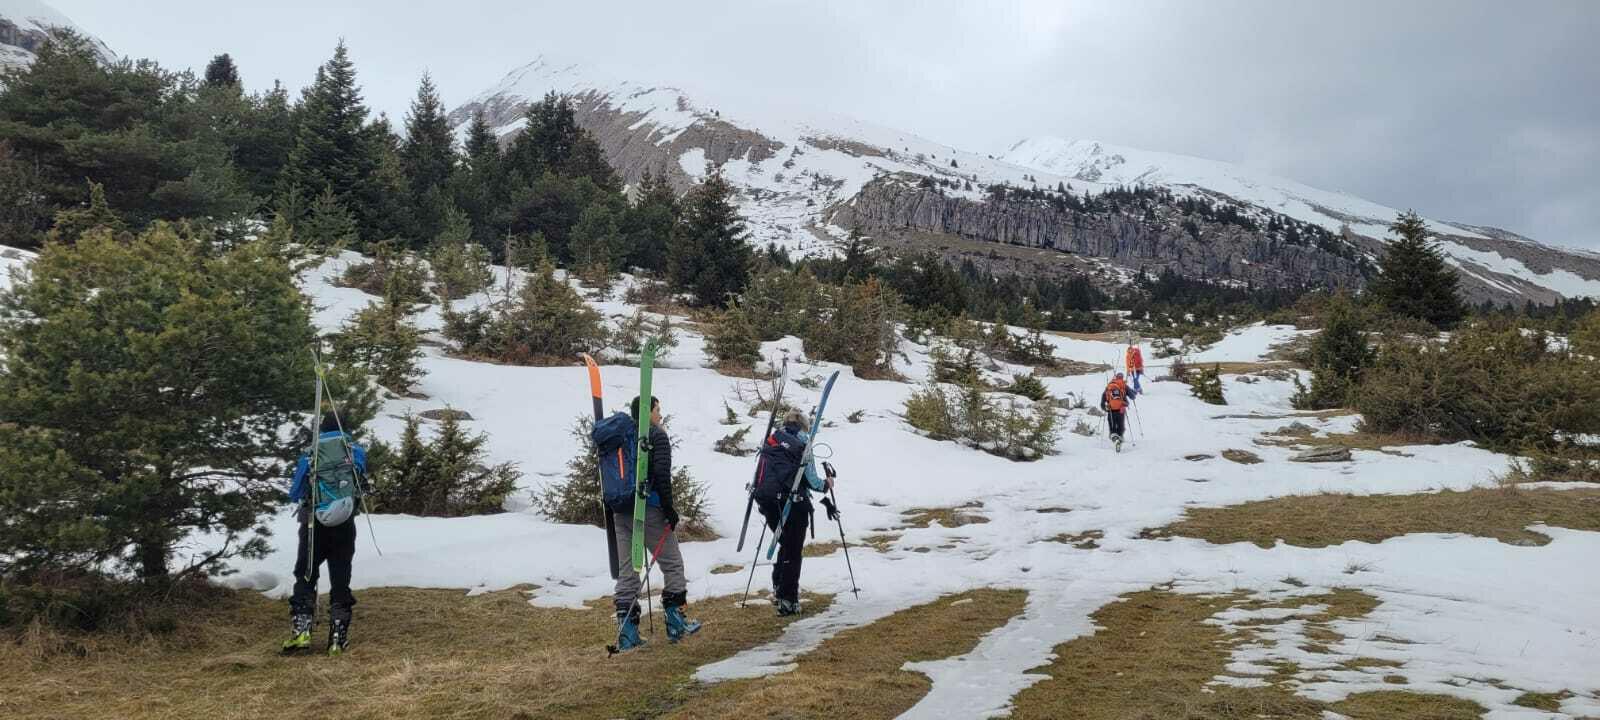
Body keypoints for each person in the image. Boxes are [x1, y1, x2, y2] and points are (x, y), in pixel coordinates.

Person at [611, 395, 701, 651]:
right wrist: (669, 510)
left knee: (628, 571)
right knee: (672, 563)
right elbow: (662, 474)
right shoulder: (656, 435)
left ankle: (627, 633)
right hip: (649, 509)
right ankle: (676, 621)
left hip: (621, 511)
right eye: (657, 409)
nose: (660, 415)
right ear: (647, 412)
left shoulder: (621, 436)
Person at [283, 411, 368, 655]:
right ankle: (337, 638)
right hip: (345, 524)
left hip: (313, 525)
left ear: (321, 429)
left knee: (306, 574)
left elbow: (295, 492)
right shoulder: (354, 451)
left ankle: (302, 632)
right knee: (340, 578)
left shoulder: (311, 453)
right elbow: (360, 481)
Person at [756, 409, 833, 616]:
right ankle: (788, 599)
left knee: (785, 542)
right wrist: (827, 484)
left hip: (768, 501)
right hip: (794, 503)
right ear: (804, 425)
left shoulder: (773, 439)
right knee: (793, 549)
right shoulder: (802, 443)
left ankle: (779, 587)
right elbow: (812, 480)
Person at [1100, 371, 1137, 447]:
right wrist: (1133, 393)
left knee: (1112, 427)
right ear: (1122, 378)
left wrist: (1103, 407)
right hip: (1121, 410)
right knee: (1120, 426)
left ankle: (1114, 437)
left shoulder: (1109, 386)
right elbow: (1132, 396)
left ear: (1116, 377)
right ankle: (1120, 437)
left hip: (1110, 410)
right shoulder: (1124, 385)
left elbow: (1104, 397)